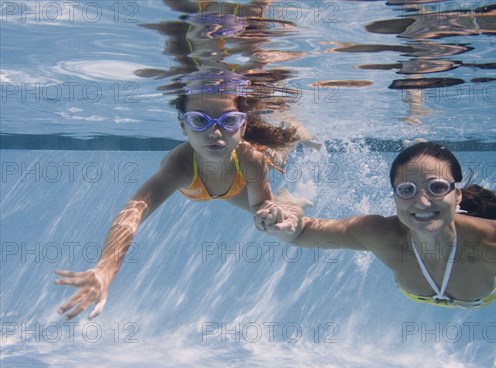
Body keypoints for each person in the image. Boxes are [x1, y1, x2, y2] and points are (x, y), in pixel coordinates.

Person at [55, 84, 307, 320]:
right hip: (211, 186)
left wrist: (269, 213)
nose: (214, 132)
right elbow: (133, 212)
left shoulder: (252, 159)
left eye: (228, 121)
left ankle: (297, 138)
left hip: (238, 184)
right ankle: (288, 196)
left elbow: (259, 206)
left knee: (280, 154)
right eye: (199, 120)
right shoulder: (180, 167)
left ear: (242, 127)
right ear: (183, 126)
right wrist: (106, 269)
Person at [258, 141, 496, 308]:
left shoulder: (495, 243)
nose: (422, 202)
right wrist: (284, 222)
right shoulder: (380, 234)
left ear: (458, 196)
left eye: (437, 188)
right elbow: (302, 233)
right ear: (394, 197)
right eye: (407, 190)